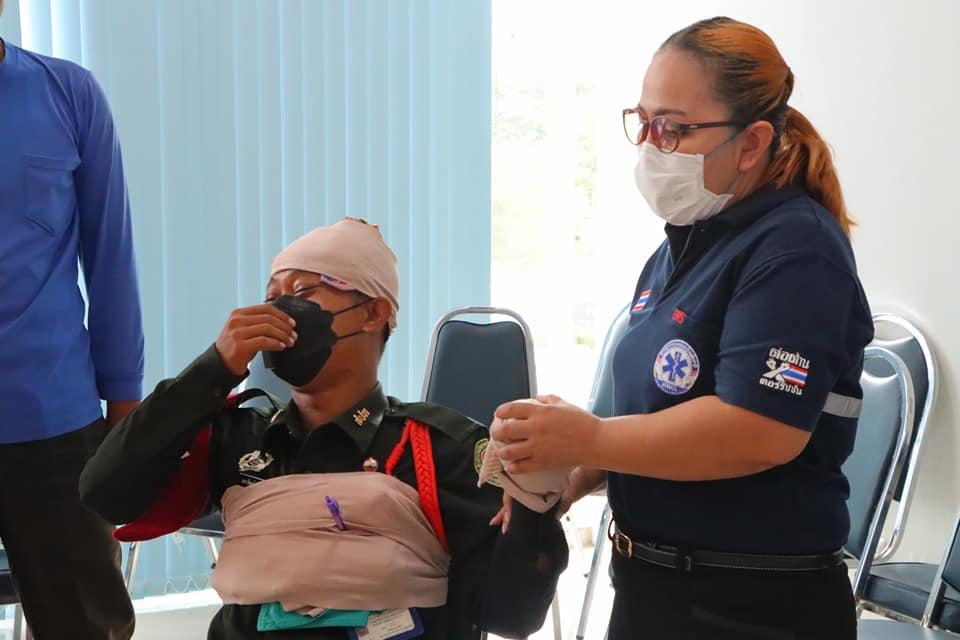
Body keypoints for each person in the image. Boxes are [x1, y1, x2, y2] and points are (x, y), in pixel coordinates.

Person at [491, 17, 872, 640]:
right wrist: (568, 470)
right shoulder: (685, 248)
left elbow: (759, 430)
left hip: (751, 604)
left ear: (750, 143)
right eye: (642, 122)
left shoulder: (796, 250)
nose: (650, 146)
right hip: (653, 589)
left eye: (672, 127)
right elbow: (654, 413)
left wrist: (591, 439)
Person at [80, 217, 567, 640]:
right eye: (271, 297)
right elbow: (104, 492)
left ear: (374, 312)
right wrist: (214, 369)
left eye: (302, 293)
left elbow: (512, 615)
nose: (278, 311)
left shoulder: (437, 449)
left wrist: (535, 506)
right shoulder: (242, 437)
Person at [0, 6, 143, 638]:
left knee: (86, 627)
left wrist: (125, 404)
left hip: (56, 425)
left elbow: (111, 256)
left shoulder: (69, 93)